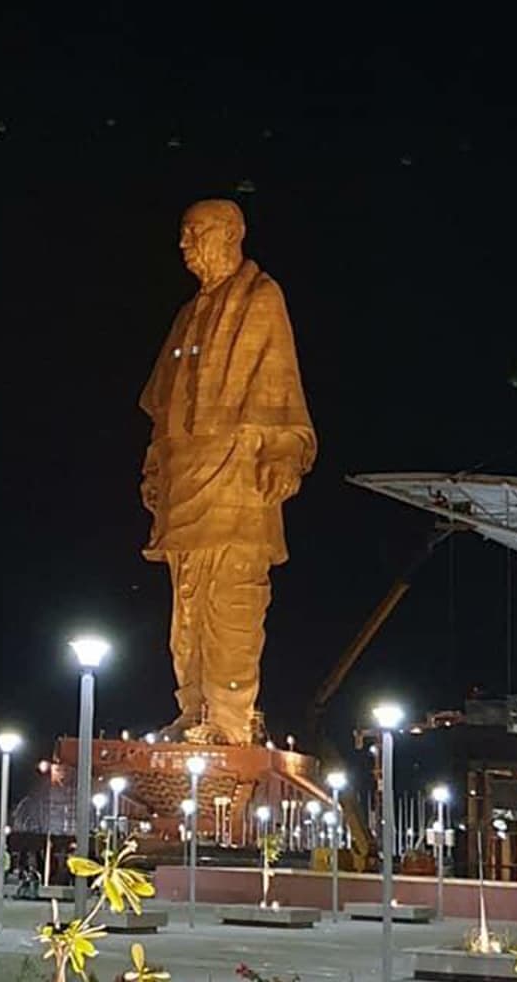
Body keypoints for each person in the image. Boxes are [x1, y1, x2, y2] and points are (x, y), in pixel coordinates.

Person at [139, 199, 316, 745]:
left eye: (195, 233)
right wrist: (155, 467)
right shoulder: (187, 315)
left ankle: (229, 719)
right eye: (184, 234)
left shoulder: (261, 298)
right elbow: (164, 404)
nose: (185, 245)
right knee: (187, 605)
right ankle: (193, 709)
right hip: (185, 479)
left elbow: (281, 390)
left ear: (231, 234)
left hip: (238, 475)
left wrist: (283, 453)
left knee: (233, 600)